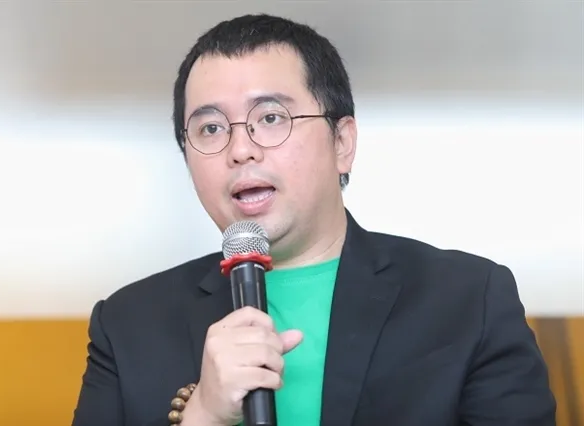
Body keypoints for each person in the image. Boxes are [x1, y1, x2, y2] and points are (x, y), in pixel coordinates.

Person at [71, 13, 556, 426]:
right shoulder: (128, 325)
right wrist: (203, 415)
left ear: (342, 142)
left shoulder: (466, 300)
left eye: (270, 118)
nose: (241, 150)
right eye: (211, 128)